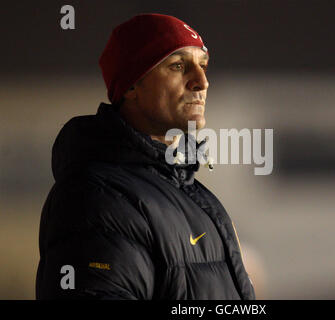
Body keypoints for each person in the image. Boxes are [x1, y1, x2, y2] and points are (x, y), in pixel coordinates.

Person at [35, 13, 255, 300]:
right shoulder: (97, 198)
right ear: (131, 86)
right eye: (178, 66)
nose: (202, 82)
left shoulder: (190, 193)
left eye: (203, 66)